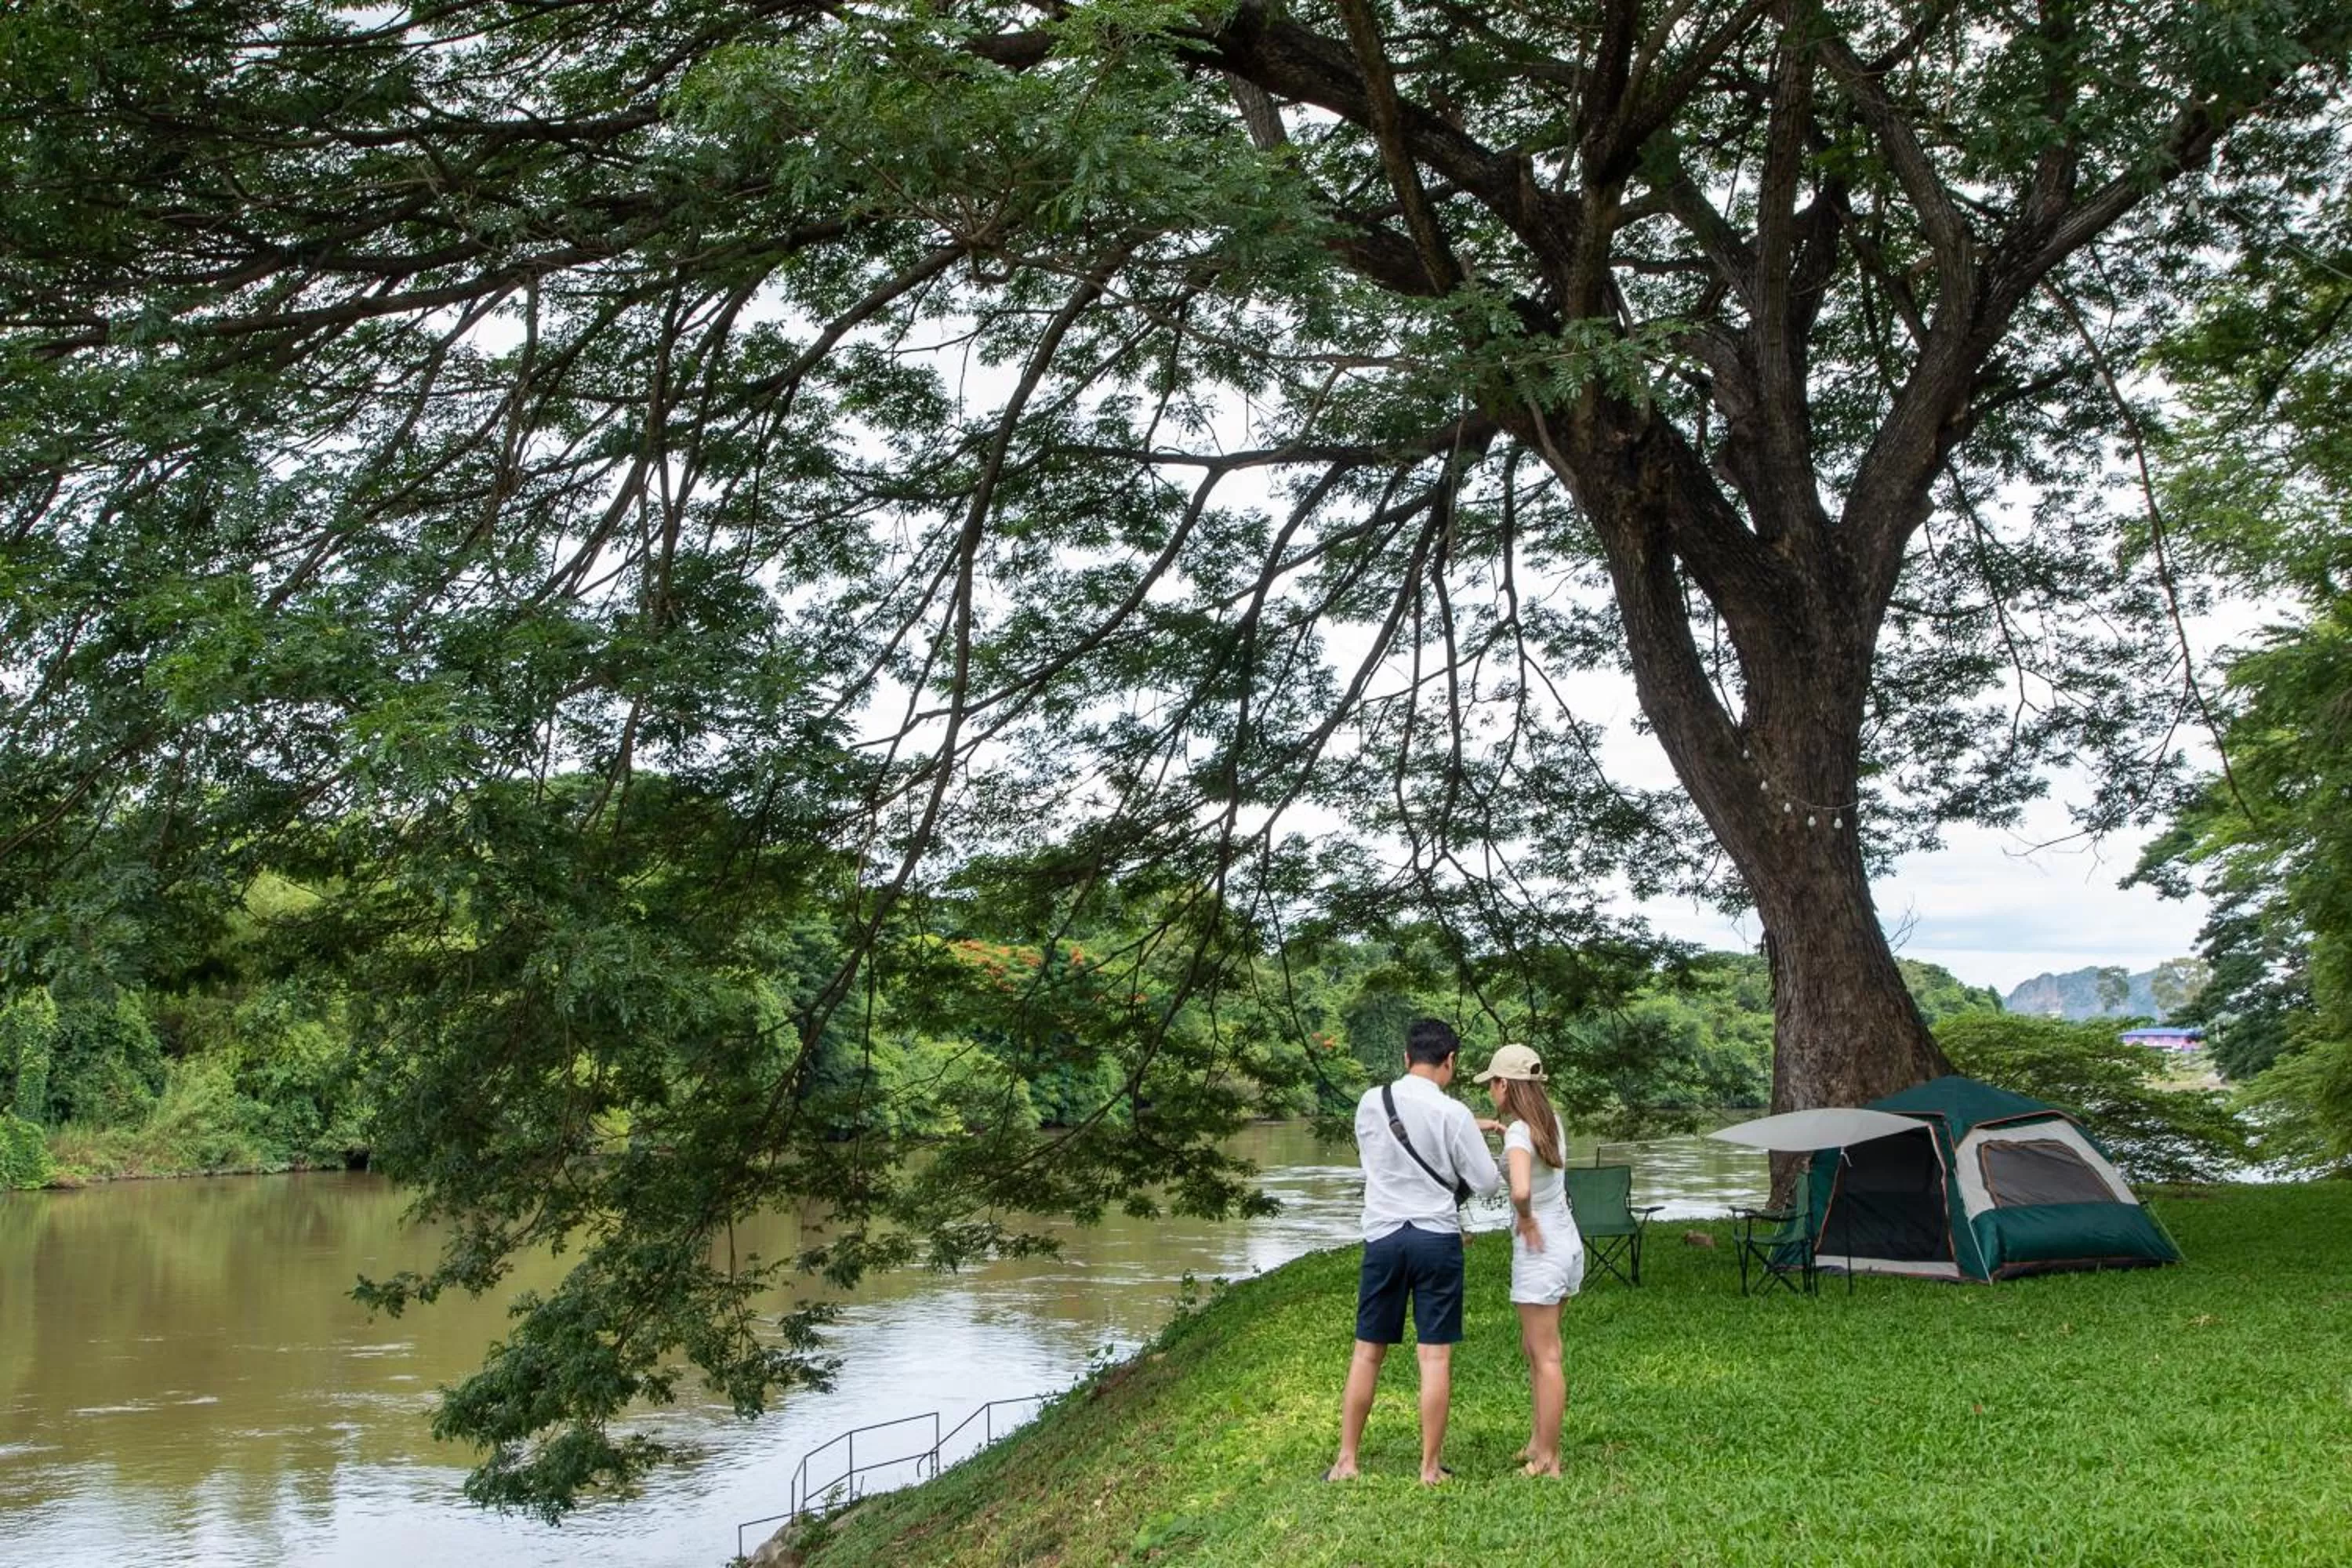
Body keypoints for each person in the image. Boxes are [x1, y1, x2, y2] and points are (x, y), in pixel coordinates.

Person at [1328, 1018, 1501, 1485]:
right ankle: (1428, 1468)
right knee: (1434, 1357)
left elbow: (1378, 1155)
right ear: (1450, 1062)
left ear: (1406, 1058)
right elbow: (1486, 1183)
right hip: (1435, 1239)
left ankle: (1347, 1460)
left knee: (1367, 1351)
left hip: (1384, 1237)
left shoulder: (1371, 1102)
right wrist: (1470, 1135)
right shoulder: (1455, 1114)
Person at [1472, 1042, 1583, 1478]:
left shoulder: (1521, 1133)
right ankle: (1538, 1442)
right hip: (1568, 1244)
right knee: (1538, 1349)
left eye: (1492, 1084)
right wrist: (1503, 1133)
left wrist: (1526, 1218)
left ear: (1504, 1085)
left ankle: (1549, 1460)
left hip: (1541, 1251)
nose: (1489, 1091)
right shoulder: (1548, 1123)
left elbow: (1520, 1189)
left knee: (1546, 1354)